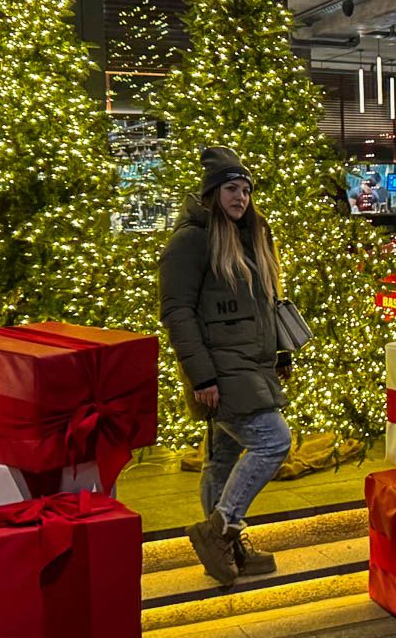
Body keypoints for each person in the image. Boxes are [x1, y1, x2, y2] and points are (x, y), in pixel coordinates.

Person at [159, 147, 294, 586]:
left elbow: (264, 303)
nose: (241, 197)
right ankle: (221, 528)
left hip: (249, 364)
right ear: (213, 193)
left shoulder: (250, 235)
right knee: (274, 441)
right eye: (232, 189)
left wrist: (281, 349)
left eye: (246, 189)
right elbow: (177, 311)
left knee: (222, 459)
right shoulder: (192, 240)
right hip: (222, 369)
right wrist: (202, 375)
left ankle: (227, 551)